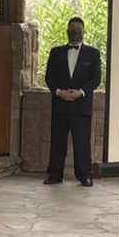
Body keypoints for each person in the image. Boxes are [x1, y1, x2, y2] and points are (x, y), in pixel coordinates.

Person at [44, 16, 102, 186]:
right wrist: (58, 92)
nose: (75, 31)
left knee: (82, 142)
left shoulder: (93, 53)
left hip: (81, 106)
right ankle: (54, 175)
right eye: (72, 28)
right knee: (57, 142)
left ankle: (84, 175)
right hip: (60, 105)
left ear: (84, 31)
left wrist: (81, 92)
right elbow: (49, 77)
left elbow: (96, 78)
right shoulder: (56, 52)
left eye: (78, 28)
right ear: (67, 31)